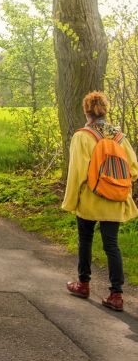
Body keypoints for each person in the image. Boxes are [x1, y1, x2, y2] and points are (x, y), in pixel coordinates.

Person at [62, 91, 138, 312]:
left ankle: (83, 284)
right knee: (111, 245)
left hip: (90, 199)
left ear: (86, 111)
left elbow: (77, 172)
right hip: (115, 200)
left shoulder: (82, 136)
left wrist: (71, 201)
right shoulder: (119, 136)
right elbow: (133, 170)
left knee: (85, 240)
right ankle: (116, 295)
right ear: (106, 110)